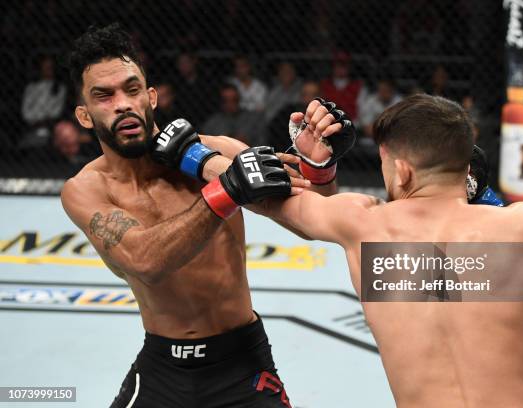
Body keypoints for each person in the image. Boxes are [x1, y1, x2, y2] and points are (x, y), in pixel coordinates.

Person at [59, 23, 344, 408]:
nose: (123, 103)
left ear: (152, 96)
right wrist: (226, 188)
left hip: (241, 363)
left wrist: (320, 168)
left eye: (132, 89)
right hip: (162, 369)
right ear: (85, 115)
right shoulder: (87, 189)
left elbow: (317, 220)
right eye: (103, 96)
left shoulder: (220, 150)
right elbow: (145, 260)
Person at [254, 94, 523, 407]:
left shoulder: (362, 224)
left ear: (403, 169)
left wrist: (203, 157)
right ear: (467, 169)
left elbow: (262, 191)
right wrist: (490, 204)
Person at [201, 83, 267, 145]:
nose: (230, 104)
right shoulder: (212, 123)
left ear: (239, 100)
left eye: (234, 100)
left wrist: (247, 141)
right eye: (225, 101)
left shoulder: (252, 119)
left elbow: (262, 142)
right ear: (220, 102)